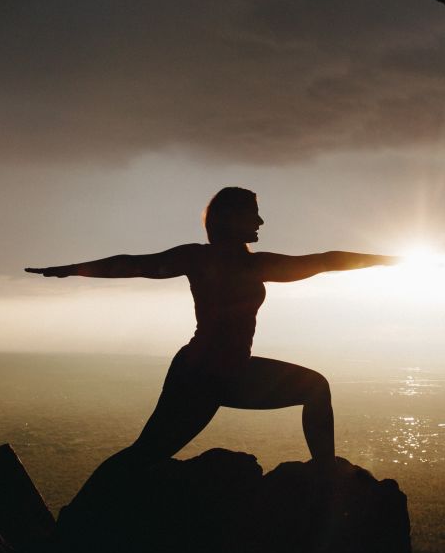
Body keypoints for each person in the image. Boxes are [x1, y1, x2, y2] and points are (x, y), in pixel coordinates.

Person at [26, 186, 395, 469]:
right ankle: (325, 476)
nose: (261, 223)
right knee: (148, 452)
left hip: (216, 371)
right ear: (231, 218)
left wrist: (382, 259)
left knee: (148, 451)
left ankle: (323, 474)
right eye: (253, 214)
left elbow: (324, 262)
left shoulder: (243, 263)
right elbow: (133, 264)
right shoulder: (215, 261)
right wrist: (73, 268)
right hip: (203, 375)